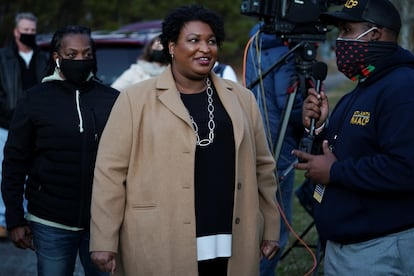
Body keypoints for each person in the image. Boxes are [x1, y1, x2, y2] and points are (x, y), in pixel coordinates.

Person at [89, 4, 280, 276]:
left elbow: (264, 168)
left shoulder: (242, 99)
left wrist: (271, 227)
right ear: (170, 46)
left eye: (211, 41)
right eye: (193, 40)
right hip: (160, 239)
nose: (205, 48)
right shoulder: (134, 99)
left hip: (231, 238)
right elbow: (109, 173)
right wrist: (103, 239)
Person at [292, 0, 414, 274]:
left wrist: (335, 172)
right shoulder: (363, 88)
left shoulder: (403, 87)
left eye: (347, 29)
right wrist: (321, 128)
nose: (340, 40)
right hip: (346, 246)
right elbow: (351, 149)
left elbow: (406, 168)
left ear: (374, 34)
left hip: (379, 250)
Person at [1, 25, 119, 276]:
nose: (80, 60)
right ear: (57, 56)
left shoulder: (111, 99)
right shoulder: (35, 99)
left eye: (87, 54)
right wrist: (14, 218)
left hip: (101, 223)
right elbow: (14, 161)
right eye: (72, 54)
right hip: (50, 222)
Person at [245, 22, 303, 275]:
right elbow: (288, 100)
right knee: (275, 225)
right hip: (279, 143)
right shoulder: (283, 51)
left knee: (259, 217)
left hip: (259, 138)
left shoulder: (257, 41)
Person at [0, 12, 48, 239]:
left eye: (32, 30)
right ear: (16, 32)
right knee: (6, 172)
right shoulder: (2, 58)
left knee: (34, 172)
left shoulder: (42, 58)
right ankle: (3, 220)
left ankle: (30, 218)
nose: (29, 34)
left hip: (36, 125)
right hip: (6, 124)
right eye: (25, 30)